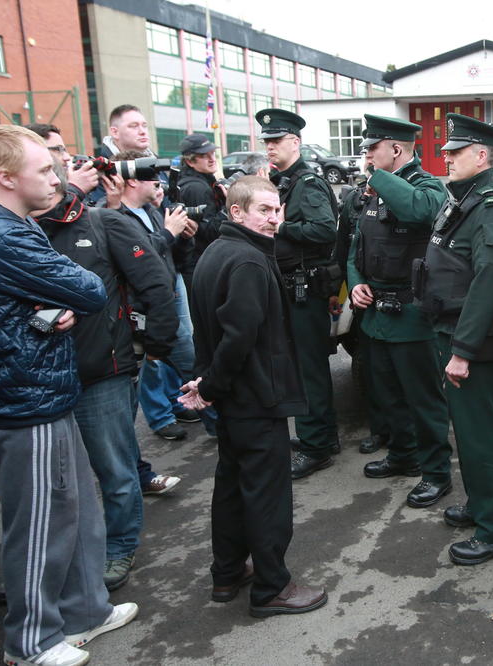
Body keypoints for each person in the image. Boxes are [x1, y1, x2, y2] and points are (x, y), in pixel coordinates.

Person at [0, 124, 137, 666]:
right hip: (23, 401)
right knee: (41, 525)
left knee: (78, 511)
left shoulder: (4, 224)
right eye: (44, 169)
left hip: (40, 390)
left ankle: (84, 611)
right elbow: (88, 288)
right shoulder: (1, 233)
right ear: (5, 177)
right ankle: (31, 642)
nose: (57, 176)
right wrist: (46, 310)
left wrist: (38, 313)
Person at [180, 175, 328, 618]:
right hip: (254, 399)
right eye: (264, 210)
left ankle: (227, 573)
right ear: (236, 212)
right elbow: (237, 337)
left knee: (231, 487)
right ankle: (271, 587)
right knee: (266, 495)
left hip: (237, 400)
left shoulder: (218, 252)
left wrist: (208, 384)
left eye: (278, 209)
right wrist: (208, 387)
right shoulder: (246, 261)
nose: (274, 218)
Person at [36, 153, 179, 591]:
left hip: (101, 373)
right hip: (38, 377)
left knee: (114, 470)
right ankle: (52, 562)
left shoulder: (103, 223)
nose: (54, 169)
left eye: (53, 164)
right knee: (52, 483)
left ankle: (119, 547)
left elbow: (158, 287)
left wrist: (155, 349)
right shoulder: (15, 227)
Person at [413, 113, 493, 565]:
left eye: (455, 153)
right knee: (468, 432)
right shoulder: (465, 201)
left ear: (481, 156)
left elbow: (487, 286)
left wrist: (462, 352)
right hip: (450, 333)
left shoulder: (491, 208)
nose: (447, 159)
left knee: (480, 436)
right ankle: (480, 507)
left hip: (470, 341)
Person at [347, 114, 452, 506]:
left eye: (372, 149)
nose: (367, 158)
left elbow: (419, 211)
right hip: (377, 312)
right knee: (387, 394)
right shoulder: (373, 189)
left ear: (396, 149)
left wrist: (377, 178)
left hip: (413, 315)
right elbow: (358, 243)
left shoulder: (427, 187)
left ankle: (437, 473)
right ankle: (404, 455)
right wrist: (356, 280)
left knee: (423, 400)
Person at [254, 108, 341, 479]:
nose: (270, 147)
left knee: (309, 370)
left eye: (276, 141)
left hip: (306, 287)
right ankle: (319, 435)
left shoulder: (306, 183)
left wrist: (283, 226)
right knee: (302, 367)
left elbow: (324, 230)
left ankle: (316, 446)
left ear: (295, 142)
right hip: (293, 286)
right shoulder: (285, 181)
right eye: (267, 142)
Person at [115, 149, 202, 445]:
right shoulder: (114, 215)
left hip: (169, 288)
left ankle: (182, 403)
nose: (158, 182)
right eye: (150, 175)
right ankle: (161, 417)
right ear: (130, 180)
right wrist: (167, 233)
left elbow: (171, 254)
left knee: (183, 350)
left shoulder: (152, 210)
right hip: (140, 301)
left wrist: (184, 237)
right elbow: (134, 257)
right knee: (150, 360)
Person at [335, 174, 391, 455]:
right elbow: (344, 251)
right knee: (372, 369)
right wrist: (342, 288)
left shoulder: (410, 198)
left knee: (407, 375)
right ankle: (380, 429)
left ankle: (408, 437)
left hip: (401, 300)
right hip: (365, 301)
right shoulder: (354, 202)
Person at [176, 133, 225, 264]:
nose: (212, 159)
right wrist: (227, 207)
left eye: (213, 153)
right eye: (204, 156)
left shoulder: (198, 181)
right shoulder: (196, 188)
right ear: (190, 161)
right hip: (201, 260)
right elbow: (210, 232)